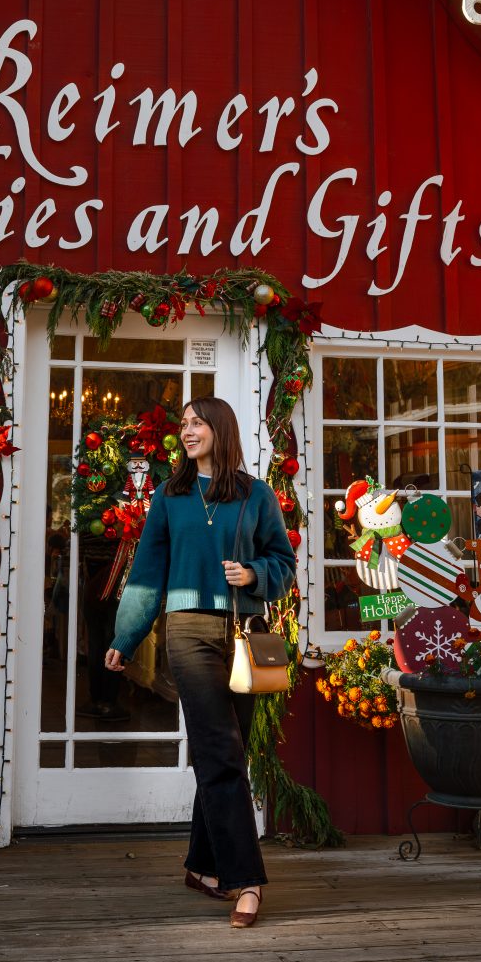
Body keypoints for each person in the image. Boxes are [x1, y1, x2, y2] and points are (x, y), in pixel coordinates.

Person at [105, 394, 295, 930]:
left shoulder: (256, 495)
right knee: (219, 749)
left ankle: (202, 865)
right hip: (188, 632)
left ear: (220, 429)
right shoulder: (171, 494)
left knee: (228, 751)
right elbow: (147, 572)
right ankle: (247, 879)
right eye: (184, 424)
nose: (187, 431)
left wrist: (256, 574)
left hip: (245, 634)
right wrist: (127, 633)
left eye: (196, 423)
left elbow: (283, 560)